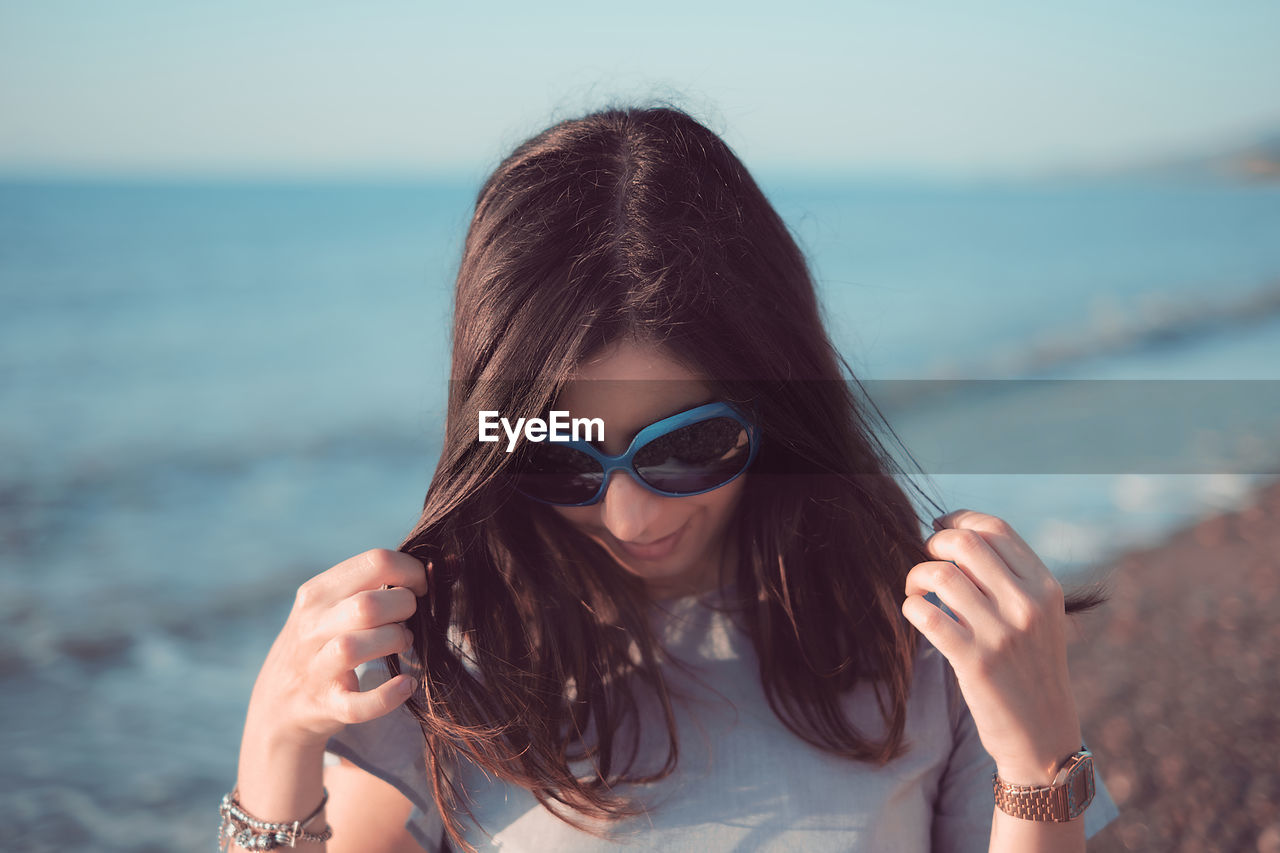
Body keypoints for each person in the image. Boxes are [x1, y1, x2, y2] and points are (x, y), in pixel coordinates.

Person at [225, 104, 1120, 852]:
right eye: (559, 452)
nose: (628, 512)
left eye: (686, 446)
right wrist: (273, 742)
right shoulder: (454, 657)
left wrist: (1041, 760)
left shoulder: (925, 638)